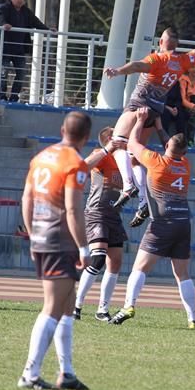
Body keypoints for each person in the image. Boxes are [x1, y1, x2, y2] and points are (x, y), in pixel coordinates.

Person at [103, 28, 195, 216]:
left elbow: (136, 66)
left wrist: (118, 71)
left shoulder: (157, 59)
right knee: (134, 156)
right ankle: (142, 202)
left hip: (139, 105)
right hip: (156, 110)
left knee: (117, 143)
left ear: (161, 42)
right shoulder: (182, 61)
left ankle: (128, 185)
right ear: (177, 44)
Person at [18, 111, 92, 390]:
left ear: (62, 130)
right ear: (86, 137)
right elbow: (72, 209)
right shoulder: (75, 163)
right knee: (51, 308)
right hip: (59, 241)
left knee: (66, 307)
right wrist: (84, 247)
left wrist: (31, 234)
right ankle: (30, 374)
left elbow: (26, 198)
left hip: (42, 236)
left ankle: (67, 373)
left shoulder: (41, 157)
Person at [109, 108, 195, 329]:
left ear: (167, 146)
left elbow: (132, 143)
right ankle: (193, 318)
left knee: (139, 268)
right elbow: (172, 145)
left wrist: (140, 121)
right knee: (182, 274)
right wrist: (159, 127)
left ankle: (128, 306)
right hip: (183, 221)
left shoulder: (156, 161)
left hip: (163, 221)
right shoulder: (185, 164)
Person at [73, 127, 127, 322]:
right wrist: (107, 149)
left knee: (116, 261)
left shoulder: (124, 158)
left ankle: (102, 309)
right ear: (111, 138)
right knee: (98, 259)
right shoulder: (101, 154)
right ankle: (76, 304)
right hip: (97, 212)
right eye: (121, 136)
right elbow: (84, 166)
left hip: (114, 214)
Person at [0, 0, 52, 102]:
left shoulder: (26, 12)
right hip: (5, 47)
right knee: (4, 73)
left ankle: (14, 98)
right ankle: (2, 97)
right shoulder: (5, 8)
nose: (20, 0)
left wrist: (48, 30)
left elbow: (36, 22)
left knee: (21, 73)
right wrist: (4, 24)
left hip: (19, 49)